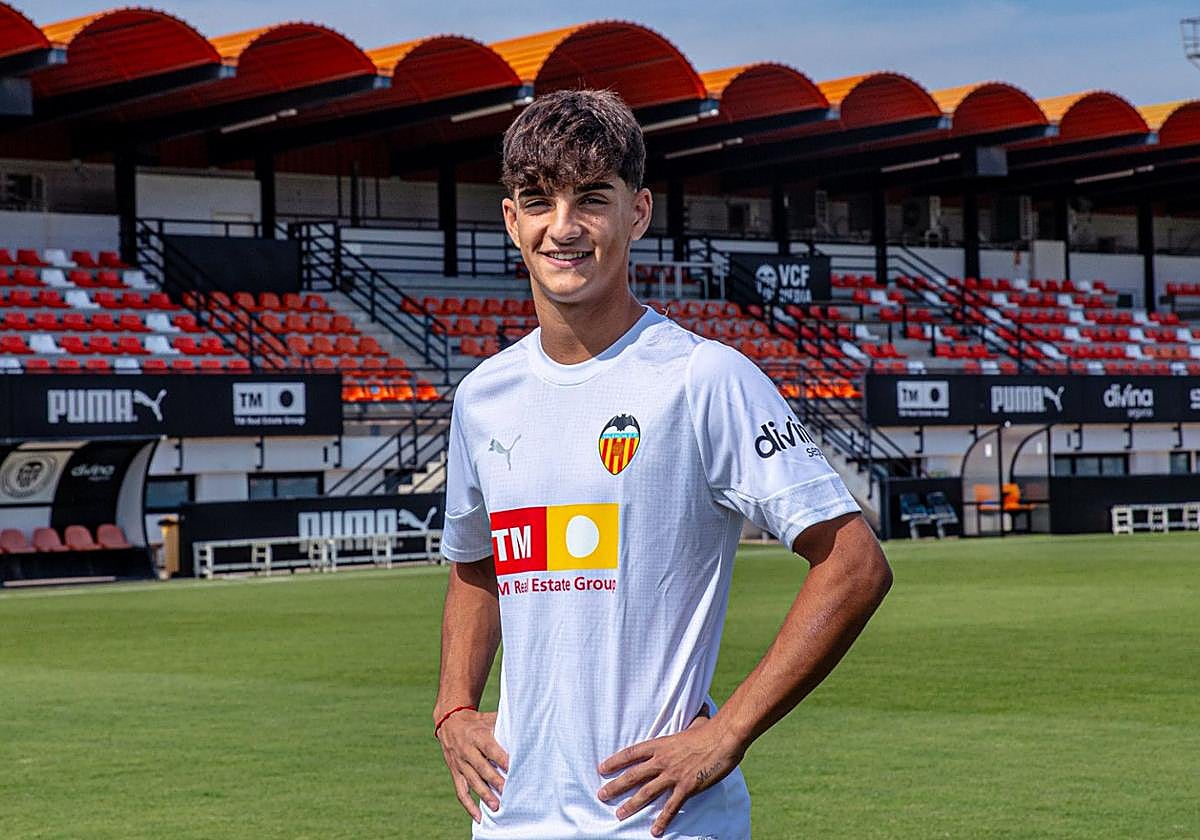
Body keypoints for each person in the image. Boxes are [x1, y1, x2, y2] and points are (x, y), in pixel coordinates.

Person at [434, 89, 892, 840]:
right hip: (511, 819)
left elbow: (853, 563)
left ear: (637, 213)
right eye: (538, 201)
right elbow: (476, 562)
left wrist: (727, 733)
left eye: (592, 198)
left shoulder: (703, 378)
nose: (564, 227)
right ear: (512, 220)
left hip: (660, 824)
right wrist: (452, 707)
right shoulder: (483, 397)